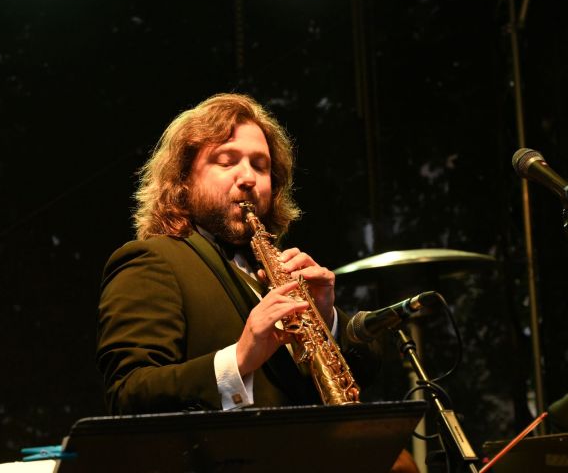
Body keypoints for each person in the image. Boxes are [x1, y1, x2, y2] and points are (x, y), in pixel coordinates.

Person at [96, 93, 418, 471]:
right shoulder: (151, 259)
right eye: (226, 161)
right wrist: (238, 358)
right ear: (182, 180)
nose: (248, 178)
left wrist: (327, 318)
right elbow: (128, 394)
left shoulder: (273, 268)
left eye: (260, 166)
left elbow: (364, 373)